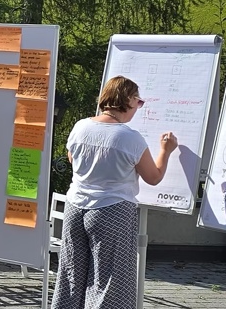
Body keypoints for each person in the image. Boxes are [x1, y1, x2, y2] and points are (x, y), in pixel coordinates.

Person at [51, 75, 179, 309]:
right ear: (128, 100)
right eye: (139, 102)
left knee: (71, 275)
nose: (138, 107)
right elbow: (153, 177)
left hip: (75, 207)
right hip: (112, 210)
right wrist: (166, 150)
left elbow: (71, 158)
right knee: (109, 282)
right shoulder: (129, 137)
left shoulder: (81, 126)